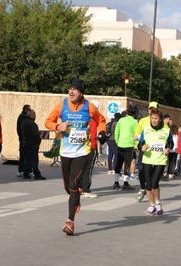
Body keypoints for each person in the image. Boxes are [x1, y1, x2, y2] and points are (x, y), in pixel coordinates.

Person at [45, 78, 106, 236]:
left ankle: (70, 221)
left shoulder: (89, 107)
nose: (71, 92)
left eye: (75, 90)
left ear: (81, 92)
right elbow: (48, 122)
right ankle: (75, 199)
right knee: (68, 187)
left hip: (82, 152)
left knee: (74, 183)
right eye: (70, 89)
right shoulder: (62, 105)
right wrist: (58, 126)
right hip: (66, 152)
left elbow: (101, 120)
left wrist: (102, 132)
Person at [138, 109, 173, 215]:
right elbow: (140, 144)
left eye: (156, 118)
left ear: (160, 119)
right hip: (147, 159)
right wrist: (141, 148)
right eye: (152, 118)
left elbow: (171, 143)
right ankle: (152, 205)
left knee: (154, 183)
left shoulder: (166, 130)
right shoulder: (146, 129)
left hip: (160, 160)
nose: (153, 120)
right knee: (148, 185)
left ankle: (158, 203)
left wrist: (168, 149)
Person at [134, 101, 160, 202]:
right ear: (148, 110)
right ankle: (142, 188)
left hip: (157, 152)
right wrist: (140, 142)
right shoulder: (142, 121)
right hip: (145, 150)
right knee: (141, 169)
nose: (152, 111)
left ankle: (151, 189)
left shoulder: (162, 123)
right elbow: (136, 134)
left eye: (154, 109)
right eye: (150, 109)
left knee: (153, 174)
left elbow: (167, 135)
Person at [80, 100, 104, 198]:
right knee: (88, 168)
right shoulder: (93, 119)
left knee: (80, 168)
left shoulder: (83, 116)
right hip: (90, 147)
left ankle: (79, 187)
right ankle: (85, 188)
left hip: (80, 146)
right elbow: (93, 134)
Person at [113, 101, 138, 190]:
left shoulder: (121, 120)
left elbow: (116, 132)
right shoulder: (135, 122)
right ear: (134, 113)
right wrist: (136, 146)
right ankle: (125, 183)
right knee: (127, 164)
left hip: (120, 144)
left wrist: (117, 141)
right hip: (129, 145)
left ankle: (116, 182)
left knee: (118, 163)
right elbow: (136, 134)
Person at [21, 109, 46, 180]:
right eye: (34, 114)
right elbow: (35, 134)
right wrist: (38, 140)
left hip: (25, 143)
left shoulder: (23, 122)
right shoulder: (32, 124)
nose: (35, 116)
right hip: (32, 144)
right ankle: (37, 174)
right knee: (34, 160)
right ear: (30, 115)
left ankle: (26, 173)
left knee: (26, 159)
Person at [16, 104, 31, 178]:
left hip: (23, 139)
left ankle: (25, 170)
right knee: (23, 155)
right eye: (28, 109)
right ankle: (21, 170)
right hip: (23, 139)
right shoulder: (23, 117)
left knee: (25, 155)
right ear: (25, 110)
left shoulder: (23, 117)